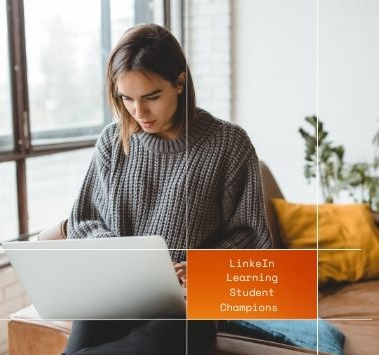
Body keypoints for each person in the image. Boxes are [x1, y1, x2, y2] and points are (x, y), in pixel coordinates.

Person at [62, 23, 273, 354]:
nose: (139, 112)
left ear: (179, 82)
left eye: (151, 97)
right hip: (116, 295)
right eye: (126, 98)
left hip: (189, 309)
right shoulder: (112, 142)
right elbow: (84, 221)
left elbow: (252, 239)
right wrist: (119, 255)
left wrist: (202, 269)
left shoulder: (228, 144)